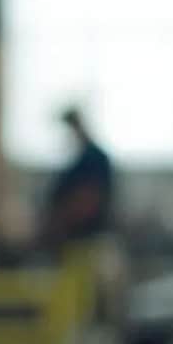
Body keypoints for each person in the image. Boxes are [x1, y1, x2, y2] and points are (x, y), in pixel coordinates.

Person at [40, 105, 116, 251]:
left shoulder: (93, 159)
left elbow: (88, 199)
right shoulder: (76, 160)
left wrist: (60, 223)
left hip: (84, 241)